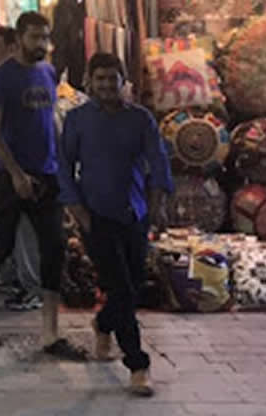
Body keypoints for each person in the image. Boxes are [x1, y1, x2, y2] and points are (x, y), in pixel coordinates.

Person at [0, 12, 84, 359]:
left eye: (45, 37)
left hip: (47, 175)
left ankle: (50, 333)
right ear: (19, 39)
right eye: (35, 37)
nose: (41, 44)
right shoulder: (3, 77)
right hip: (12, 176)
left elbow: (48, 124)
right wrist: (16, 173)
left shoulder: (49, 72)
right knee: (1, 244)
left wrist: (61, 168)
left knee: (53, 249)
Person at [61, 52, 173, 398]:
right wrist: (79, 212)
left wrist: (155, 208)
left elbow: (158, 163)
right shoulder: (78, 120)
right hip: (96, 218)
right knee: (121, 288)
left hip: (134, 215)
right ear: (90, 82)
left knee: (133, 285)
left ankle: (104, 322)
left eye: (114, 79)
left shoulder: (140, 120)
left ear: (124, 82)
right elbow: (64, 166)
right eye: (101, 79)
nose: (107, 85)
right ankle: (138, 364)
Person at [0, 26, 44, 313]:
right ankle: (13, 277)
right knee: (9, 227)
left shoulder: (40, 73)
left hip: (31, 168)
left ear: (13, 46)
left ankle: (31, 286)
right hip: (8, 168)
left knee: (25, 230)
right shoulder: (0, 79)